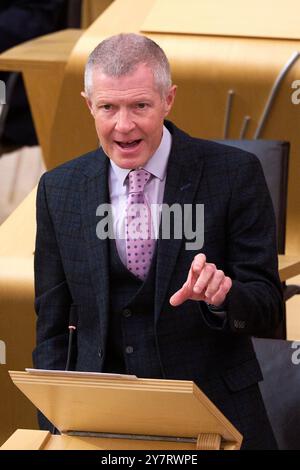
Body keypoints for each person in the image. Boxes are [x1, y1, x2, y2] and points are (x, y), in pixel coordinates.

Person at [33, 33, 283, 450]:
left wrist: (224, 297)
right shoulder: (57, 189)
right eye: (108, 107)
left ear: (168, 99)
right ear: (88, 105)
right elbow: (52, 326)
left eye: (140, 106)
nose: (123, 125)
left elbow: (267, 306)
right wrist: (58, 422)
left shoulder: (236, 174)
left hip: (217, 417)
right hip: (100, 425)